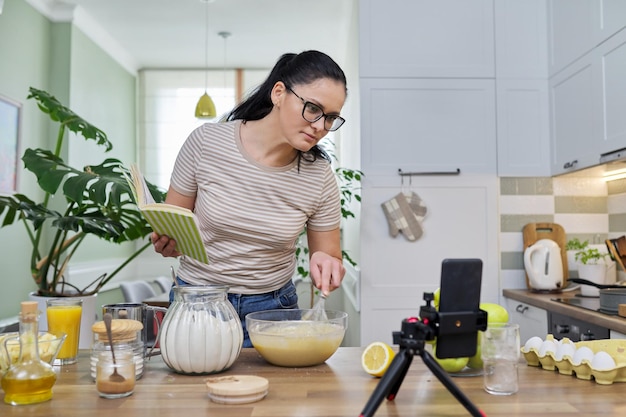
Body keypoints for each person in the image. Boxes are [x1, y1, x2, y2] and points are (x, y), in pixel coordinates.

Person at [151, 50, 348, 347]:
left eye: (331, 117)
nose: (321, 126)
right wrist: (168, 242)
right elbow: (173, 224)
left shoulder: (319, 175)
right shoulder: (206, 142)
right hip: (198, 305)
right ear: (279, 93)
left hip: (273, 312)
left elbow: (329, 256)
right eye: (313, 109)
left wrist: (326, 262)